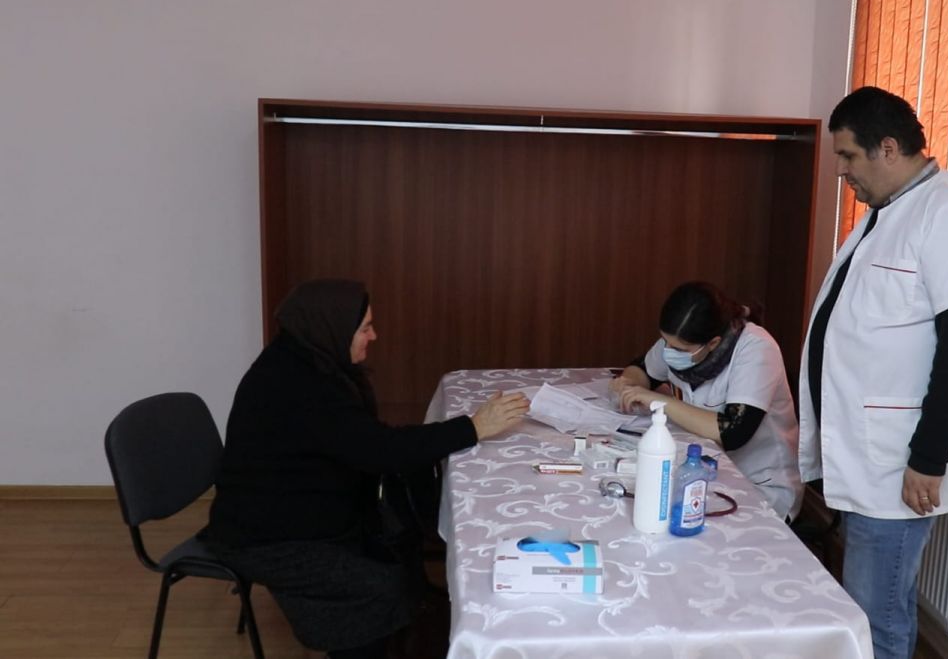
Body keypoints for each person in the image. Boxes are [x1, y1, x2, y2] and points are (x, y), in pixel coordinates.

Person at [204, 279, 529, 659]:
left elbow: (368, 442)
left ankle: (412, 624)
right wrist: (472, 428)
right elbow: (380, 451)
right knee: (379, 586)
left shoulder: (306, 357)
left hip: (300, 508)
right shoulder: (302, 387)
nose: (373, 336)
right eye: (365, 328)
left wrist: (467, 429)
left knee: (401, 530)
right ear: (333, 327)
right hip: (267, 537)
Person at [797, 86, 948, 659]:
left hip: (898, 465)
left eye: (847, 156)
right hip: (869, 457)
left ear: (887, 148)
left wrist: (929, 458)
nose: (841, 171)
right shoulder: (888, 213)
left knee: (878, 615)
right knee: (869, 604)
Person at [610, 281, 804, 520]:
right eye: (664, 342)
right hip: (702, 471)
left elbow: (732, 431)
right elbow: (643, 369)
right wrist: (628, 385)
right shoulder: (681, 344)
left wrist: (658, 401)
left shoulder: (757, 349)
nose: (668, 351)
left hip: (758, 484)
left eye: (678, 349)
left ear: (713, 343)